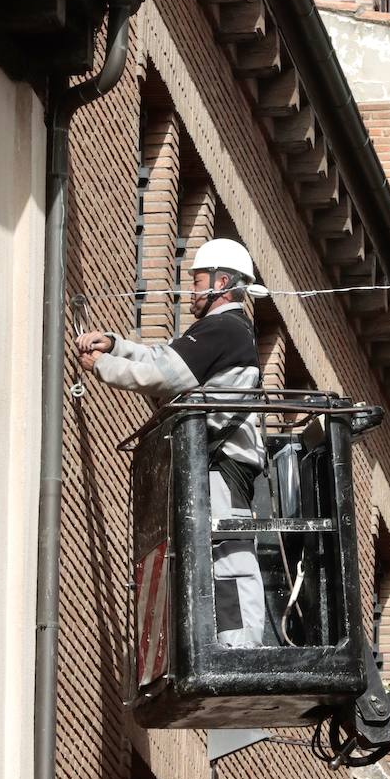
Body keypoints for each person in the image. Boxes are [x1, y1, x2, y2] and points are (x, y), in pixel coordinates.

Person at [76, 237, 266, 648]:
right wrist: (116, 344)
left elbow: (163, 376)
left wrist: (103, 366)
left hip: (222, 462)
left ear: (222, 282)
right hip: (215, 461)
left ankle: (239, 645)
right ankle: (221, 639)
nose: (191, 292)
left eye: (198, 281)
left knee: (227, 554)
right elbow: (164, 359)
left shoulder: (225, 329)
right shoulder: (218, 333)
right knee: (213, 550)